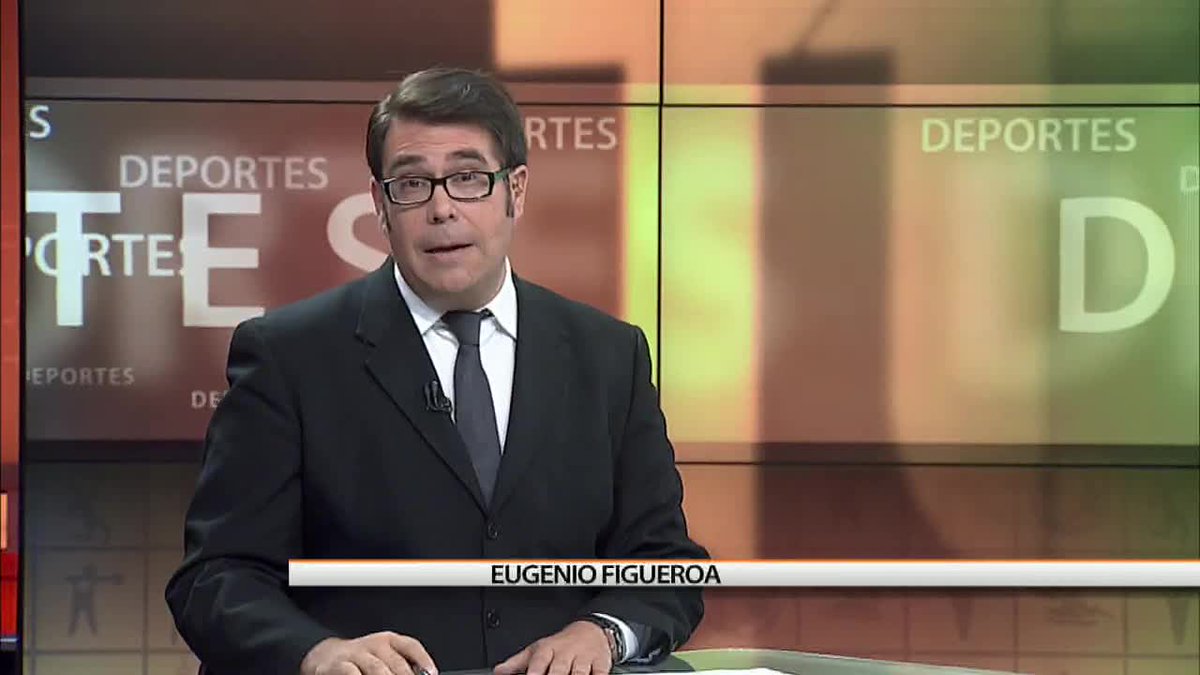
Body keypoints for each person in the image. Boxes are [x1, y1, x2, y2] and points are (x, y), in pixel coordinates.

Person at [166, 67, 707, 675]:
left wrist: (603, 633)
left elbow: (666, 566)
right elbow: (216, 578)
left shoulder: (608, 356)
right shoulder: (289, 356)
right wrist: (318, 653)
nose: (441, 208)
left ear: (516, 190)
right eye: (412, 184)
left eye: (468, 178)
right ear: (380, 205)